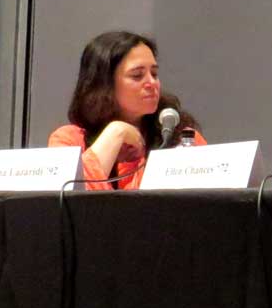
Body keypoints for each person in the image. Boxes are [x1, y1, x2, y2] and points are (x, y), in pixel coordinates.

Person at [49, 30, 204, 190]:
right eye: (137, 75)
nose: (152, 83)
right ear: (104, 84)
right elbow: (71, 201)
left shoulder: (183, 139)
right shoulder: (69, 140)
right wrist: (116, 133)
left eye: (154, 73)